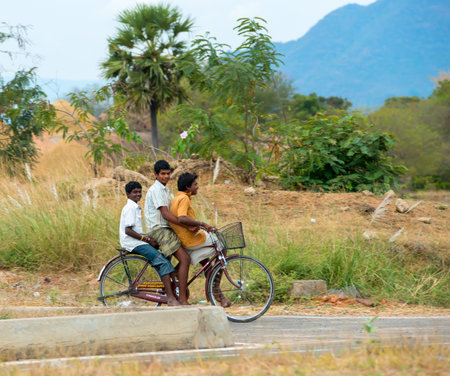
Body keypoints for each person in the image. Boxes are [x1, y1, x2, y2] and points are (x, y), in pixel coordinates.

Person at [169, 172, 232, 308]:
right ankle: (216, 291)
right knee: (222, 247)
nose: (198, 187)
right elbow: (181, 218)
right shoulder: (184, 199)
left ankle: (216, 293)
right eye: (195, 184)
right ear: (188, 187)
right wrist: (202, 224)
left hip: (187, 237)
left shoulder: (177, 198)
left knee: (207, 263)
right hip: (191, 239)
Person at [119, 181, 180, 306]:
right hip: (133, 243)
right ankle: (170, 297)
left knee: (163, 251)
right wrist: (146, 240)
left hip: (136, 241)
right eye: (134, 192)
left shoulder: (134, 207)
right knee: (162, 260)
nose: (138, 194)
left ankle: (167, 280)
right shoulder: (130, 208)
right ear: (127, 194)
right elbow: (128, 230)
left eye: (139, 192)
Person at [144, 160, 192, 305]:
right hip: (159, 230)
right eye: (162, 174)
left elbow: (175, 210)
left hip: (167, 228)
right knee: (185, 259)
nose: (166, 176)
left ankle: (174, 275)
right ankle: (182, 299)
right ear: (156, 174)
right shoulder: (156, 190)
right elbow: (165, 214)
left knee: (185, 255)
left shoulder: (166, 191)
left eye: (168, 173)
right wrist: (185, 224)